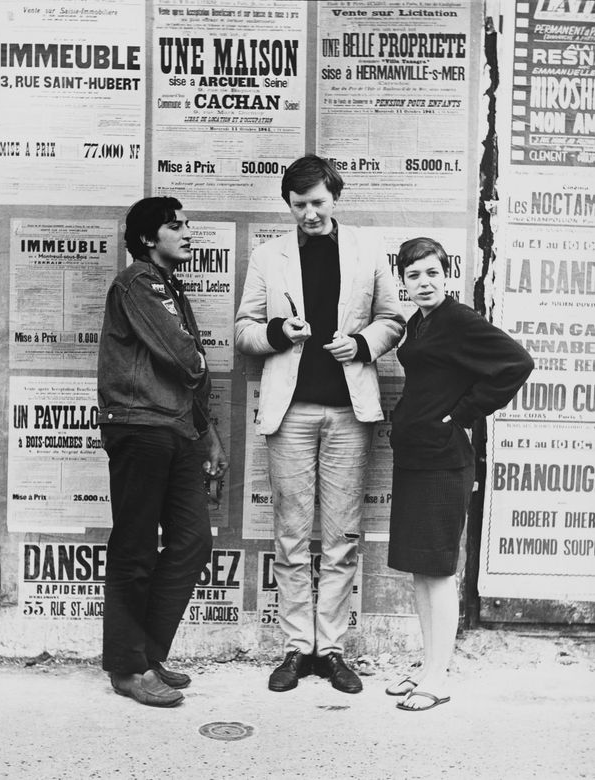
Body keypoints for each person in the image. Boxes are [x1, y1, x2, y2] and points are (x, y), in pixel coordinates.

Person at [235, 155, 405, 694]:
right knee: (289, 536)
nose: (309, 213)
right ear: (288, 203)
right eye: (299, 203)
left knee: (340, 538)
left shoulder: (367, 251)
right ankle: (295, 648)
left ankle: (330, 650)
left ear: (336, 198)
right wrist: (279, 333)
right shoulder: (268, 255)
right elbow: (243, 330)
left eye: (318, 202)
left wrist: (360, 344)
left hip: (348, 411)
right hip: (290, 412)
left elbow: (393, 319)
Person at [386, 237, 533, 712]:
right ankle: (428, 665)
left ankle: (439, 677)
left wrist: (465, 412)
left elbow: (517, 363)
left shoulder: (459, 320)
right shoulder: (420, 323)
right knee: (420, 569)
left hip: (444, 460)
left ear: (446, 275)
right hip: (416, 456)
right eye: (414, 275)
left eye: (432, 273)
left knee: (439, 570)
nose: (424, 283)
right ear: (403, 282)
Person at [97, 196, 228, 707]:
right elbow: (181, 356)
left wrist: (209, 433)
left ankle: (147, 654)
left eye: (188, 223)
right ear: (150, 239)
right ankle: (127, 669)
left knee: (193, 541)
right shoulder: (136, 283)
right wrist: (197, 358)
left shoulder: (169, 288)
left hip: (175, 429)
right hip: (138, 425)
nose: (188, 232)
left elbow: (185, 371)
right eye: (177, 226)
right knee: (134, 548)